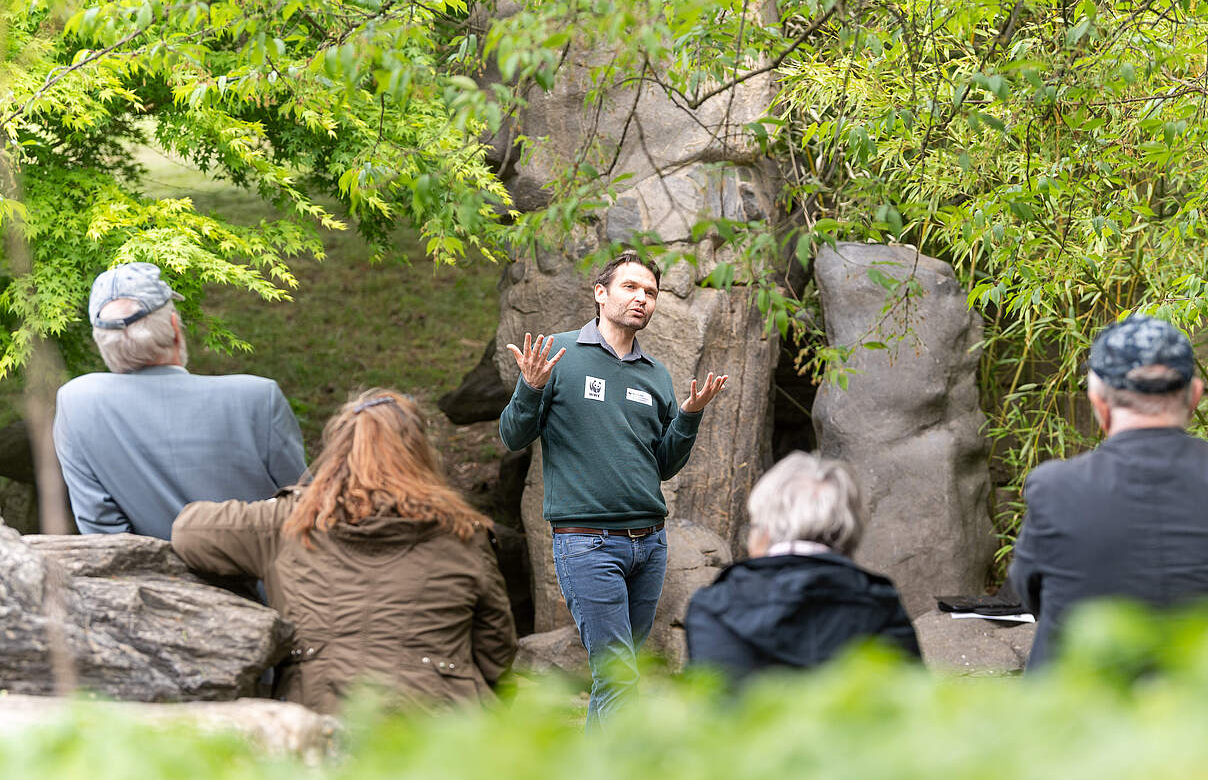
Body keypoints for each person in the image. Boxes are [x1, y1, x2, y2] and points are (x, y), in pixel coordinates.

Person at [171, 388, 517, 715]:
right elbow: (496, 653)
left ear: (336, 452)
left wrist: (291, 503)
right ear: (421, 454)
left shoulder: (289, 520)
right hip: (441, 728)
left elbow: (189, 532)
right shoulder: (465, 532)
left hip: (320, 720)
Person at [499, 249, 728, 728]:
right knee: (620, 674)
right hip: (587, 544)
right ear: (600, 294)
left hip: (649, 545)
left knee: (619, 675)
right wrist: (530, 388)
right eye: (631, 287)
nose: (642, 298)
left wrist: (688, 416)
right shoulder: (558, 355)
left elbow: (664, 465)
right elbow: (513, 437)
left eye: (650, 292)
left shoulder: (656, 375)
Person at [1009, 314, 1208, 668]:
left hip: (1082, 709)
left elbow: (1030, 593)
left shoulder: (1055, 488)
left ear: (1098, 402)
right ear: (1194, 395)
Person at [53, 262, 306, 540]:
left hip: (147, 582)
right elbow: (305, 509)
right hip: (259, 580)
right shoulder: (258, 398)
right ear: (175, 326)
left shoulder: (76, 403)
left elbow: (101, 531)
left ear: (100, 340)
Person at [686, 452, 919, 685]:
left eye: (755, 524)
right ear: (849, 530)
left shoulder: (713, 607)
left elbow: (713, 710)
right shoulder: (881, 604)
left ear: (766, 531)